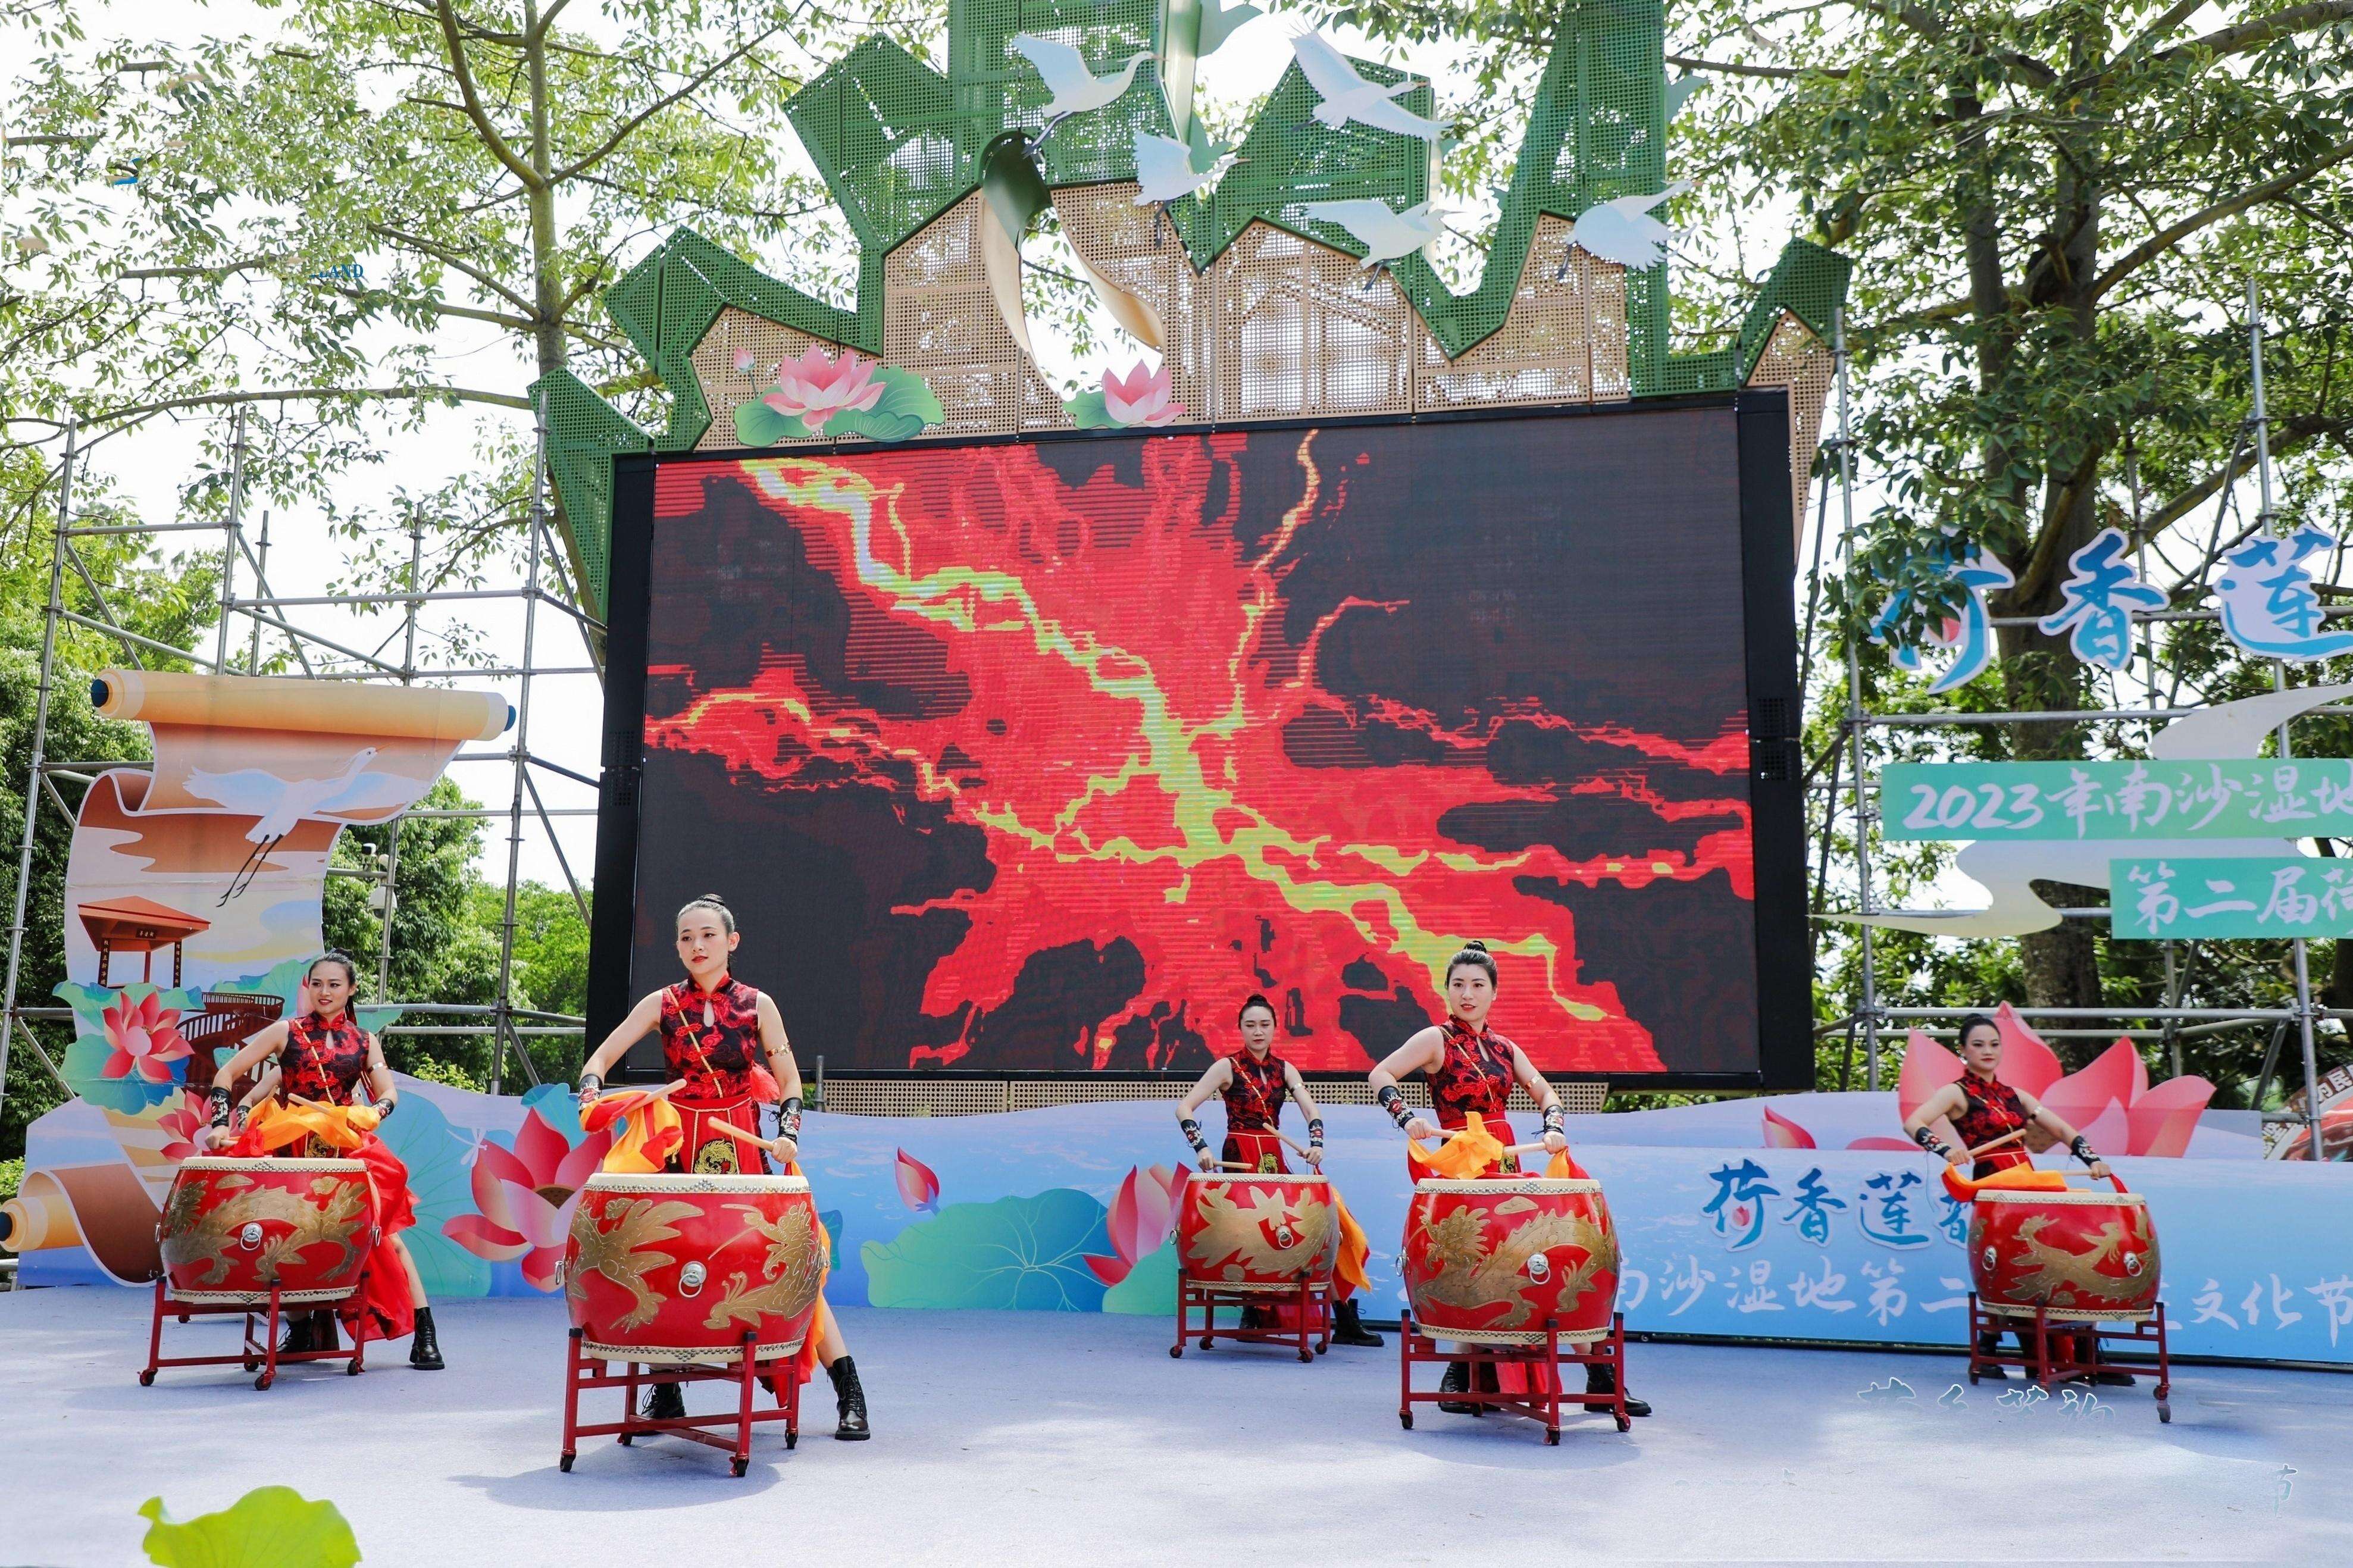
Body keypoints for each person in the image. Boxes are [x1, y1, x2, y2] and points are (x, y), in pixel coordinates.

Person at [577, 894, 870, 1439]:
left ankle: (849, 1390)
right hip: (677, 1153)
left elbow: (790, 1082)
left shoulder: (758, 1004)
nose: (697, 945)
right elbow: (600, 1058)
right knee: (665, 1267)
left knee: (786, 1270)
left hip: (743, 1151)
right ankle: (667, 1390)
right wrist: (591, 1092)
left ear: (731, 941)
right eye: (686, 937)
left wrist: (788, 1134)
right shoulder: (662, 1003)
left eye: (708, 935)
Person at [1367, 940, 1649, 1418]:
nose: (1468, 994)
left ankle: (1597, 1373)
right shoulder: (1436, 1039)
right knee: (1476, 1266)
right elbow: (1381, 1074)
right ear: (1447, 990)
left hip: (1506, 1157)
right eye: (1459, 985)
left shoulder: (1504, 1047)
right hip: (1463, 1162)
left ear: (1494, 993)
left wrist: (1553, 1126)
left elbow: (1545, 1092)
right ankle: (1463, 1372)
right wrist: (1406, 1116)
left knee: (1539, 1257)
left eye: (1478, 985)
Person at [202, 951, 443, 1370]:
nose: (325, 992)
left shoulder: (365, 1040)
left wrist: (374, 1112)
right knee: (286, 1239)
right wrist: (221, 1124)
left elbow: (388, 1092)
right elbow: (226, 1075)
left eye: (334, 984)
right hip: (291, 1148)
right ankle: (301, 1328)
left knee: (386, 1236)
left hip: (345, 1149)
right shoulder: (285, 1031)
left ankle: (425, 1332)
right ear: (308, 988)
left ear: (351, 989)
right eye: (317, 984)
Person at [1903, 1010, 2130, 1385]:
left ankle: (2083, 1355)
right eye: (1978, 1045)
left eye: (1994, 1044)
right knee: (2011, 1264)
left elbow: (2061, 1129)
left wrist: (2092, 1159)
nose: (1987, 1051)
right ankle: (2008, 1349)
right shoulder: (1956, 1093)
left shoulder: (2015, 1096)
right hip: (1995, 1185)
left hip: (2027, 1180)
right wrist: (1945, 1150)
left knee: (2051, 1260)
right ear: (1963, 1051)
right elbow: (1913, 1122)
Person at [1173, 993, 1382, 1348]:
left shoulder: (1285, 1070)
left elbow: (1312, 1111)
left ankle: (1344, 1317)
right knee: (1252, 1232)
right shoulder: (1226, 1067)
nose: (1258, 1031)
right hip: (1240, 1155)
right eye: (1251, 1025)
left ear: (1274, 1028)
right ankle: (1252, 1310)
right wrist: (1201, 1148)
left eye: (1264, 1025)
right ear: (1240, 1029)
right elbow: (1185, 1108)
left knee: (1320, 1229)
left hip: (1273, 1158)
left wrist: (1316, 1143)